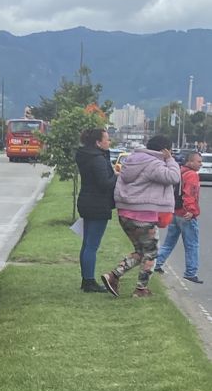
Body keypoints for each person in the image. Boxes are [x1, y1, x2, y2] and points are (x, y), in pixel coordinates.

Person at [101, 134, 181, 298]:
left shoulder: (131, 159)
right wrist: (170, 160)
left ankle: (113, 276)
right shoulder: (153, 163)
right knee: (151, 252)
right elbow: (173, 177)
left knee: (141, 250)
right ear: (164, 150)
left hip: (125, 213)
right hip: (143, 214)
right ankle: (141, 289)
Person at [75, 126, 116, 291]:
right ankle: (89, 281)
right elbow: (104, 183)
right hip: (97, 204)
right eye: (107, 139)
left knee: (87, 244)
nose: (109, 142)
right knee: (92, 245)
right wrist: (118, 177)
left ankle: (86, 279)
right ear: (98, 143)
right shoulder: (98, 159)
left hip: (86, 200)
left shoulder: (85, 155)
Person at [154, 149, 203, 283]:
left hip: (175, 212)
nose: (201, 164)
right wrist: (192, 210)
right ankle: (191, 272)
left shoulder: (179, 172)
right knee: (192, 245)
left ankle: (156, 264)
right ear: (190, 161)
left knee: (169, 243)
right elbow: (190, 194)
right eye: (198, 161)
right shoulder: (192, 175)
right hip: (186, 214)